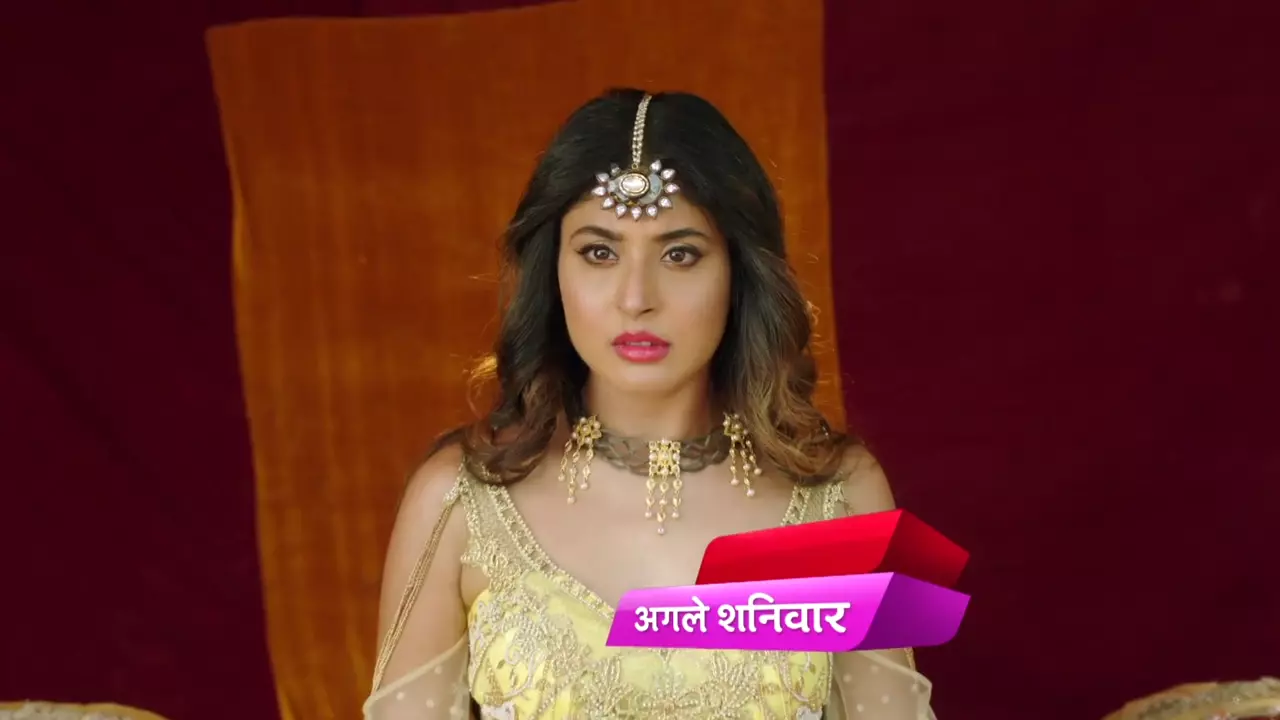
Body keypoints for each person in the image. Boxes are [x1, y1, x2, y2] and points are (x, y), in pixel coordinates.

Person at [363, 89, 938, 719]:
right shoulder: (461, 501)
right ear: (553, 270)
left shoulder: (839, 497)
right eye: (600, 252)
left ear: (738, 271)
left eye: (679, 254)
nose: (636, 297)